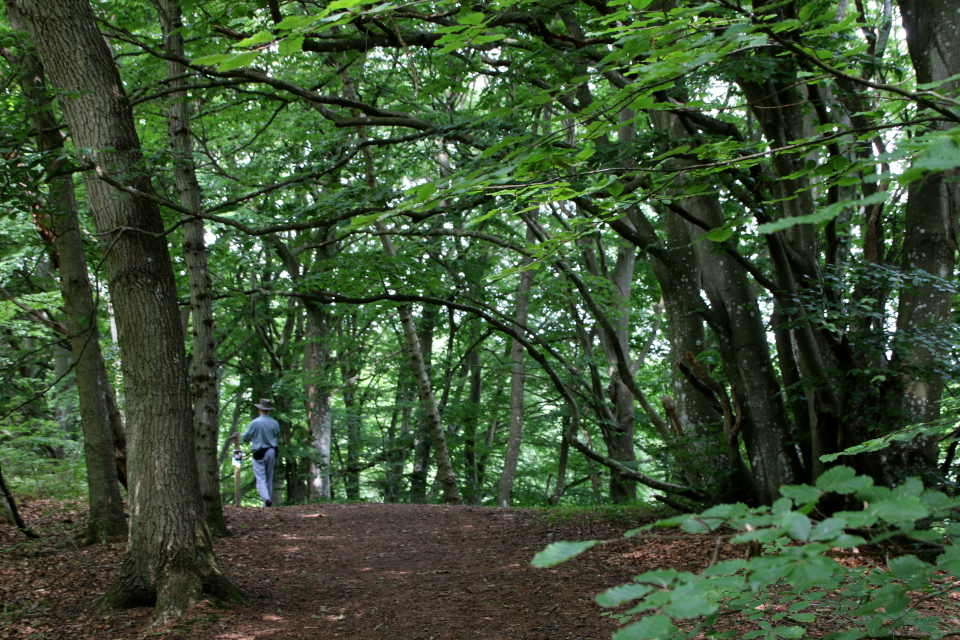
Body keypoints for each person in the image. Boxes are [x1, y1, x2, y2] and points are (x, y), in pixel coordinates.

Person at [243, 398, 280, 507]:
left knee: (260, 478)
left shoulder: (255, 423)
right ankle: (266, 503)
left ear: (260, 409)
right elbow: (276, 435)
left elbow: (245, 438)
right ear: (269, 410)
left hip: (259, 452)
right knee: (269, 477)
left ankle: (266, 499)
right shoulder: (275, 423)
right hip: (271, 451)